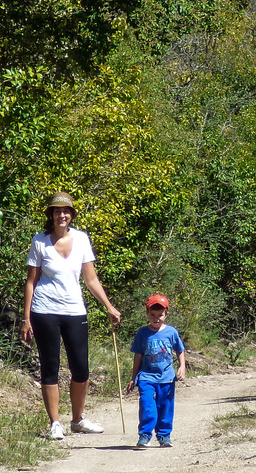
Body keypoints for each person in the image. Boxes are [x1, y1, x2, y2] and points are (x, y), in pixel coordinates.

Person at [21, 192, 122, 440]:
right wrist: (26, 319)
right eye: (57, 211)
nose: (62, 215)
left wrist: (109, 306)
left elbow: (91, 279)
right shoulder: (40, 241)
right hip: (44, 311)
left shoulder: (81, 239)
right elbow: (31, 282)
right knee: (50, 367)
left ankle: (77, 420)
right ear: (51, 215)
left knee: (81, 369)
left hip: (75, 310)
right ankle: (55, 423)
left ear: (72, 215)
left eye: (66, 211)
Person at [129, 293, 186, 448]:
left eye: (160, 315)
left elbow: (180, 350)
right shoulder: (142, 333)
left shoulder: (171, 332)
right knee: (147, 405)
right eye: (152, 315)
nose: (156, 318)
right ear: (147, 314)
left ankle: (164, 436)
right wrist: (133, 378)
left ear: (166, 314)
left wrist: (182, 367)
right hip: (146, 376)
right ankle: (145, 435)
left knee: (165, 407)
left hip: (167, 377)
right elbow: (138, 356)